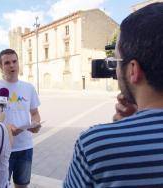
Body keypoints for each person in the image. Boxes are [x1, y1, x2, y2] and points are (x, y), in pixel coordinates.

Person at [64, 2, 163, 187]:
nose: (115, 69)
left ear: (133, 70)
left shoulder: (95, 145)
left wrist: (122, 130)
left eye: (116, 60)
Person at [0, 49, 41, 188]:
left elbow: (35, 113)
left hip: (25, 148)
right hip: (2, 148)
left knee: (22, 185)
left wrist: (36, 124)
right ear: (0, 67)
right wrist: (2, 128)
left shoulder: (29, 88)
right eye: (7, 63)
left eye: (14, 61)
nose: (11, 65)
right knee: (1, 185)